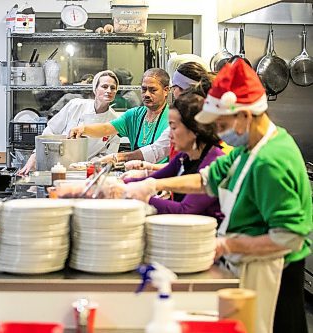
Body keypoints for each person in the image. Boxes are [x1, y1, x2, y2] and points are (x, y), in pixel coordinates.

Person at [123, 59, 312, 333]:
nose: (217, 133)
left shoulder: (271, 161)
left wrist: (227, 246)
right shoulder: (250, 147)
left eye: (221, 125)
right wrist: (149, 186)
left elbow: (287, 237)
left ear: (244, 117)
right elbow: (207, 178)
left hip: (276, 272)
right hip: (251, 263)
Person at [121, 89, 224, 221]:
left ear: (195, 129)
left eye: (174, 128)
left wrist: (141, 197)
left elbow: (186, 210)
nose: (170, 135)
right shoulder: (183, 158)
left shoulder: (214, 162)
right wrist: (115, 184)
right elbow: (152, 179)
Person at [18, 70, 121, 175]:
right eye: (104, 86)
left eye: (113, 88)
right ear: (95, 89)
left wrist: (88, 165)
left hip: (86, 171)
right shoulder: (75, 105)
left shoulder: (116, 121)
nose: (109, 91)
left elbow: (108, 154)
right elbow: (51, 130)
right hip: (57, 165)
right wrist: (35, 156)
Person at [69, 68, 171, 164]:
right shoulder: (134, 115)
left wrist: (120, 157)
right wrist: (83, 129)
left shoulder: (173, 119)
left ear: (166, 90)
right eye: (144, 89)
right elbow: (106, 129)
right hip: (134, 172)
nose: (147, 94)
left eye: (153, 90)